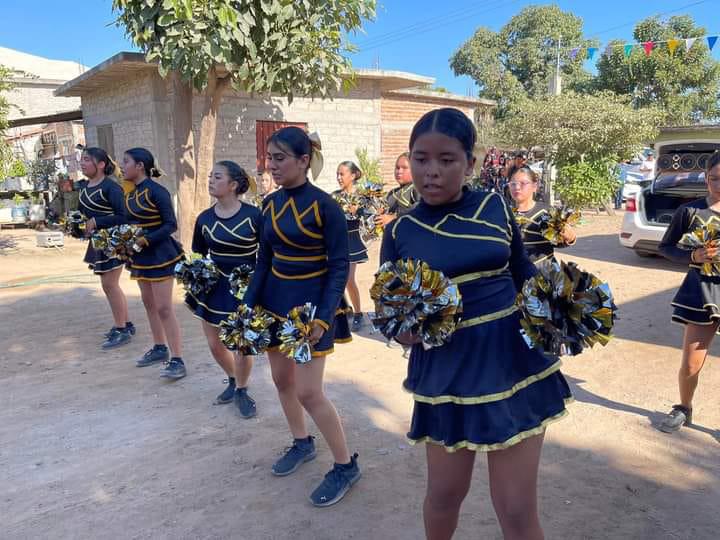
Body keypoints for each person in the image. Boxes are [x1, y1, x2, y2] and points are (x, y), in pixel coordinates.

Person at [381, 108, 571, 539]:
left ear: (470, 163)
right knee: (444, 496)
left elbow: (522, 270)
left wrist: (559, 309)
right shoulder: (400, 231)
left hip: (513, 366)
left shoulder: (494, 206)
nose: (431, 172)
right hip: (446, 375)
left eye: (446, 160)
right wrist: (406, 331)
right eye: (420, 158)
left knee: (517, 509)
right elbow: (389, 312)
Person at [242, 127, 359, 507]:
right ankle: (301, 442)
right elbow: (264, 262)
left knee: (309, 391)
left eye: (280, 158)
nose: (272, 166)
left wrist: (323, 318)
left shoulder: (326, 206)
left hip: (311, 311)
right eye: (270, 159)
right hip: (274, 304)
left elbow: (339, 266)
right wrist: (247, 305)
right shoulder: (270, 205)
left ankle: (345, 465)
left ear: (304, 160)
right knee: (281, 380)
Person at [186, 160, 261, 416]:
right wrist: (197, 273)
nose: (210, 181)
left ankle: (242, 389)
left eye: (217, 177)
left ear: (233, 185)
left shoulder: (253, 216)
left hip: (244, 287)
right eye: (210, 176)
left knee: (241, 342)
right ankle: (232, 377)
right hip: (214, 287)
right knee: (214, 343)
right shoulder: (204, 218)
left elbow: (269, 253)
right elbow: (198, 252)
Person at [657, 151, 720, 433]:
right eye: (715, 178)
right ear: (706, 179)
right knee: (691, 363)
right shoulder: (690, 211)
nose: (719, 184)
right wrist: (693, 255)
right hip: (701, 291)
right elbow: (666, 247)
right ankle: (684, 408)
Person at [122, 147, 186, 380]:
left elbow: (171, 225)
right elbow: (129, 223)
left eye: (126, 161)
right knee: (149, 303)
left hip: (160, 253)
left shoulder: (158, 191)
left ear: (140, 166)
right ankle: (160, 347)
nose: (122, 165)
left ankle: (177, 358)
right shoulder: (129, 194)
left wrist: (146, 239)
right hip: (140, 255)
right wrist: (123, 240)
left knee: (164, 308)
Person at [78, 147, 135, 349]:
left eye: (86, 160)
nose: (82, 163)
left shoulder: (111, 188)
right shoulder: (85, 188)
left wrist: (97, 222)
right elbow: (83, 215)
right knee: (108, 285)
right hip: (98, 241)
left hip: (114, 241)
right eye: (81, 160)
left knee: (110, 285)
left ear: (101, 164)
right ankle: (125, 324)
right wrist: (79, 226)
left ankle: (121, 330)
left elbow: (124, 216)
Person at [509, 166, 577, 263]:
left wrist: (570, 237)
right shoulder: (505, 213)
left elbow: (559, 241)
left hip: (543, 272)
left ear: (534, 186)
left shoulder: (547, 212)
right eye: (513, 184)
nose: (517, 187)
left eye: (523, 183)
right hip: (514, 274)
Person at [333, 161, 368, 332]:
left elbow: (371, 219)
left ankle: (359, 313)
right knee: (334, 277)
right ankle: (345, 308)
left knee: (348, 278)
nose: (339, 177)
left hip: (352, 242)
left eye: (342, 174)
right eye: (337, 174)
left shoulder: (362, 197)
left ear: (353, 176)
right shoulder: (334, 196)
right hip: (335, 242)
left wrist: (359, 211)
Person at [375, 152, 419, 229]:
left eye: (404, 168)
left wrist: (395, 217)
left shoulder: (418, 188)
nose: (399, 171)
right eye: (397, 168)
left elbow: (421, 207)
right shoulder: (392, 193)